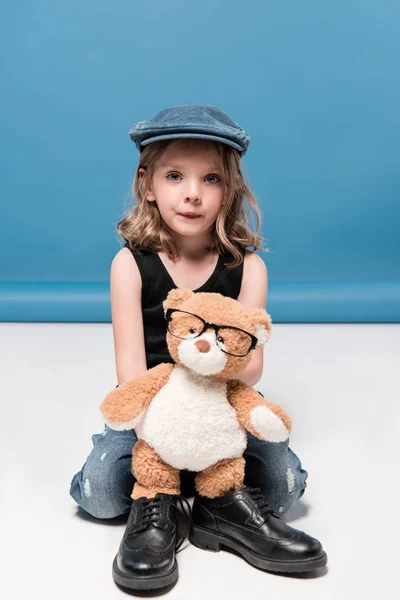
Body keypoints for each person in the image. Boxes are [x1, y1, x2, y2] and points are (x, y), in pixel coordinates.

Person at [70, 104, 327, 591]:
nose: (192, 194)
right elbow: (130, 369)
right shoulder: (129, 264)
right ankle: (161, 491)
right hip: (151, 405)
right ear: (147, 185)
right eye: (174, 176)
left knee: (285, 484)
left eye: (210, 179)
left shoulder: (248, 269)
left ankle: (215, 505)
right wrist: (164, 434)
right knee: (101, 495)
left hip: (219, 410)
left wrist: (207, 407)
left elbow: (249, 368)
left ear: (228, 191)